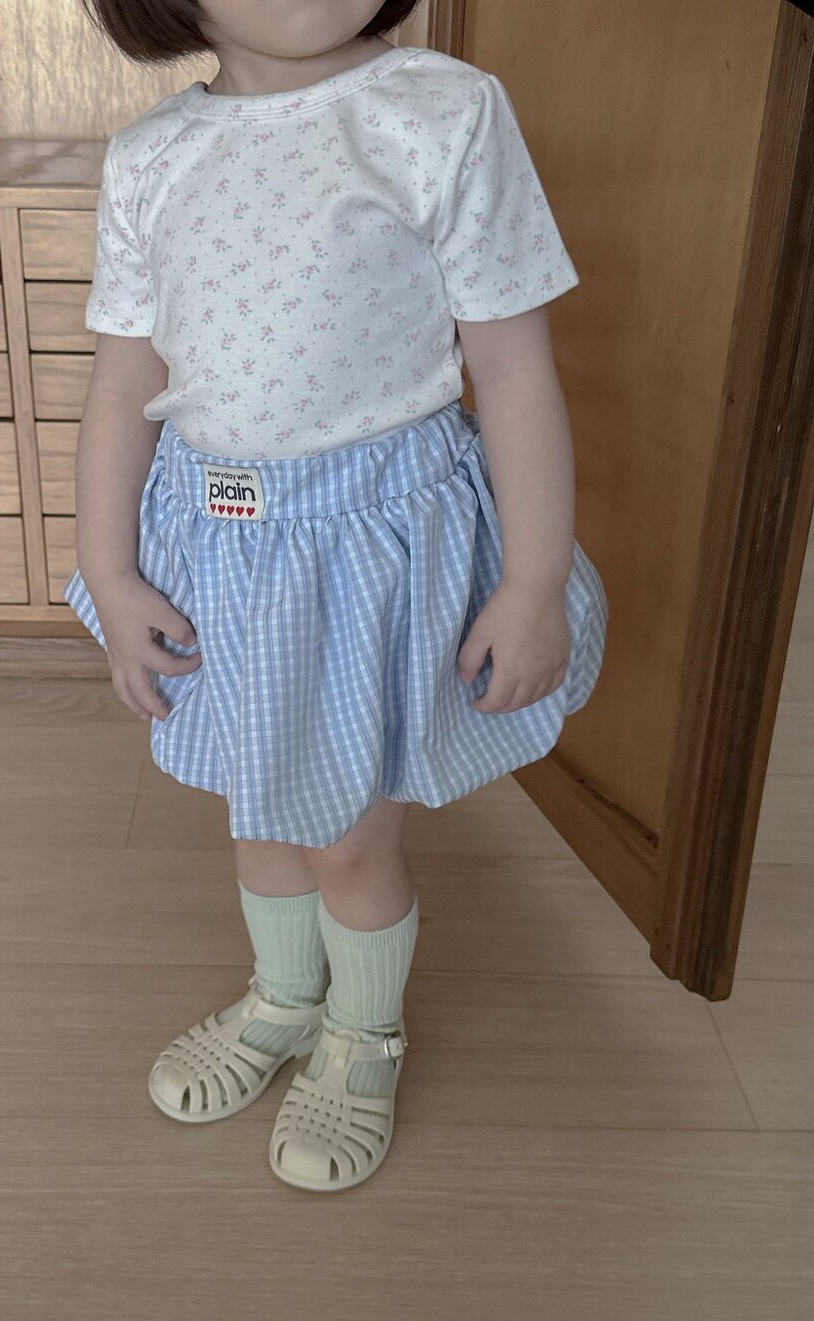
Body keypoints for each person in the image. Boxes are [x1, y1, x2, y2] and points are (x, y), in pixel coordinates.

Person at [63, 0, 608, 1193]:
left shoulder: (439, 114)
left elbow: (514, 368)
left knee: (352, 833)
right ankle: (282, 998)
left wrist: (531, 582)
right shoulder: (151, 157)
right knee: (259, 805)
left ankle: (362, 1034)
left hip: (377, 555)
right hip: (221, 553)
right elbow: (121, 385)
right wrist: (110, 570)